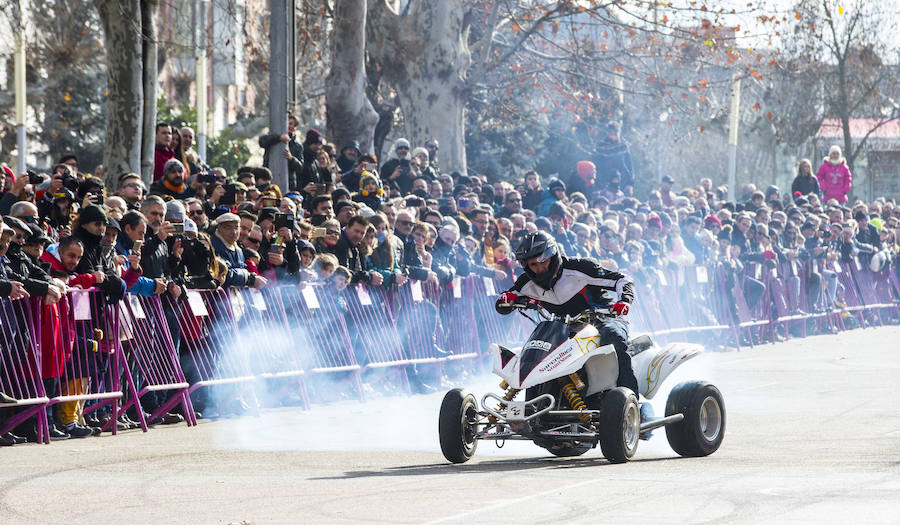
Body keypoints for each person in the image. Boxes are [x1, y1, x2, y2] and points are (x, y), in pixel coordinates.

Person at [494, 232, 639, 399]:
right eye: (533, 265)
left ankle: (630, 399)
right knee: (537, 350)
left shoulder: (580, 267)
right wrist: (506, 300)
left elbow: (622, 280)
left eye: (543, 262)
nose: (539, 269)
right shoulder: (525, 283)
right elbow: (503, 303)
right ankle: (533, 406)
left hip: (603, 318)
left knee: (614, 337)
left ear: (553, 256)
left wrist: (625, 301)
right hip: (562, 328)